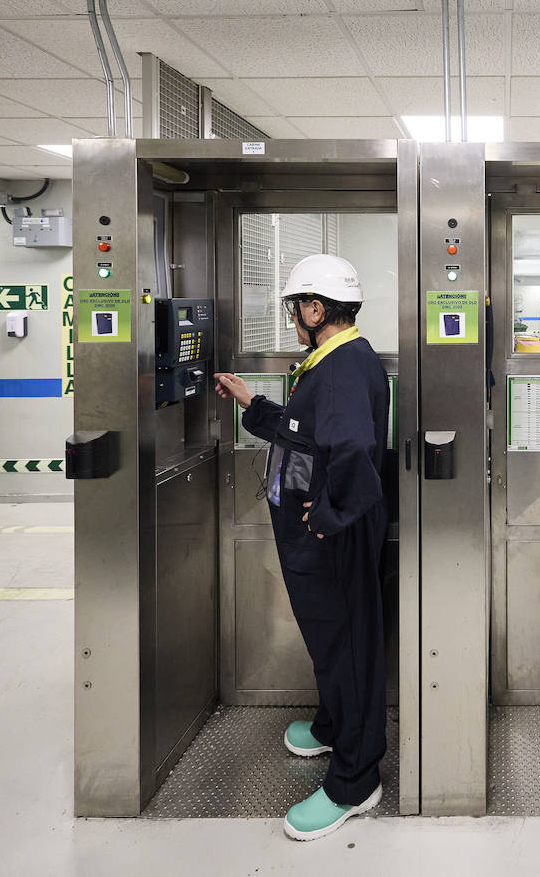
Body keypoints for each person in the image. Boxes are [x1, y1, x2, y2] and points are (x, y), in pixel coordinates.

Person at [213, 254, 389, 842]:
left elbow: (355, 450)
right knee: (328, 639)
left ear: (317, 309)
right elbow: (309, 432)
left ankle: (355, 780)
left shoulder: (341, 367)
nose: (293, 318)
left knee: (345, 646)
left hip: (329, 538)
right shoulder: (333, 360)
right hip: (316, 532)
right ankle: (336, 724)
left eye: (296, 308)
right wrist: (252, 406)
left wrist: (331, 515)